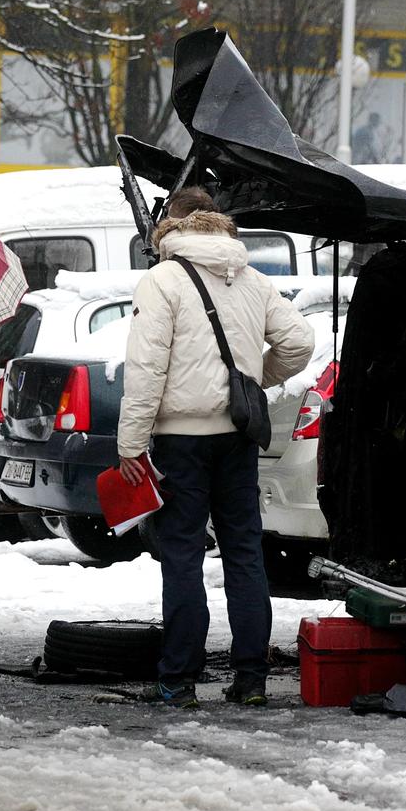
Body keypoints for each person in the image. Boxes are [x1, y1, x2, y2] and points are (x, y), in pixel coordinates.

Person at [117, 200, 314, 708]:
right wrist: (247, 383)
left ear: (170, 230)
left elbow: (146, 370)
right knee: (244, 553)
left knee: (182, 554)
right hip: (238, 436)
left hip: (181, 440)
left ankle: (179, 679)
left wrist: (131, 444)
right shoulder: (250, 278)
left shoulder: (162, 280)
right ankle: (251, 677)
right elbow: (299, 341)